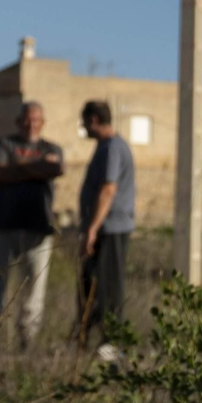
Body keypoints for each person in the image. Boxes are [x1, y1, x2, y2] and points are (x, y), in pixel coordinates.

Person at [0, 102, 63, 350]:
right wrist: (39, 168)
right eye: (27, 120)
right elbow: (0, 173)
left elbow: (56, 167)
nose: (31, 125)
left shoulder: (52, 147)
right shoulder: (3, 144)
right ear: (18, 122)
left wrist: (18, 168)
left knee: (34, 288)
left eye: (36, 120)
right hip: (1, 225)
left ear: (43, 123)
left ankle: (27, 341)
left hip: (38, 228)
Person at [76, 100, 136, 360]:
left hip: (111, 228)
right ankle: (85, 339)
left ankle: (114, 344)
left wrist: (93, 228)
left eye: (84, 122)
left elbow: (109, 189)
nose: (84, 127)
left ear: (93, 121)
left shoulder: (112, 148)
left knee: (110, 286)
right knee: (90, 285)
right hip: (103, 227)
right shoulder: (106, 146)